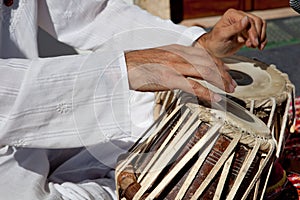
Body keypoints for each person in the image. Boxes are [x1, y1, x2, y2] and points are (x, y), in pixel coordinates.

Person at [0, 0, 266, 199]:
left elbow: (90, 15)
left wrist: (197, 46)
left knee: (155, 118)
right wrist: (122, 69)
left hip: (36, 136)